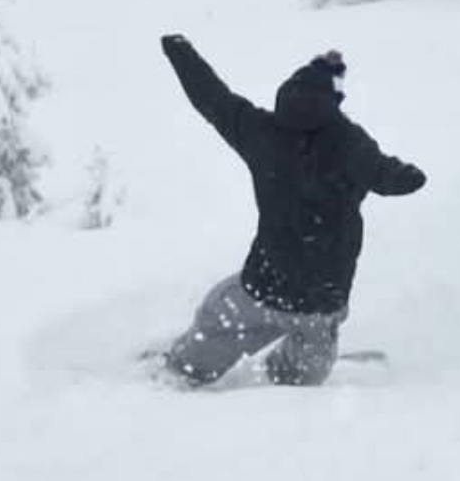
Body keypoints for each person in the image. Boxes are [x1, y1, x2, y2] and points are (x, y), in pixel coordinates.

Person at [156, 37, 425, 386]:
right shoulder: (348, 142)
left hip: (263, 288)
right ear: (334, 100)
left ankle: (184, 369)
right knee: (303, 373)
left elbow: (213, 98)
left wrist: (182, 53)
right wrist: (403, 176)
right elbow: (383, 174)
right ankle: (286, 374)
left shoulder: (260, 132)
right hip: (321, 303)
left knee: (213, 328)